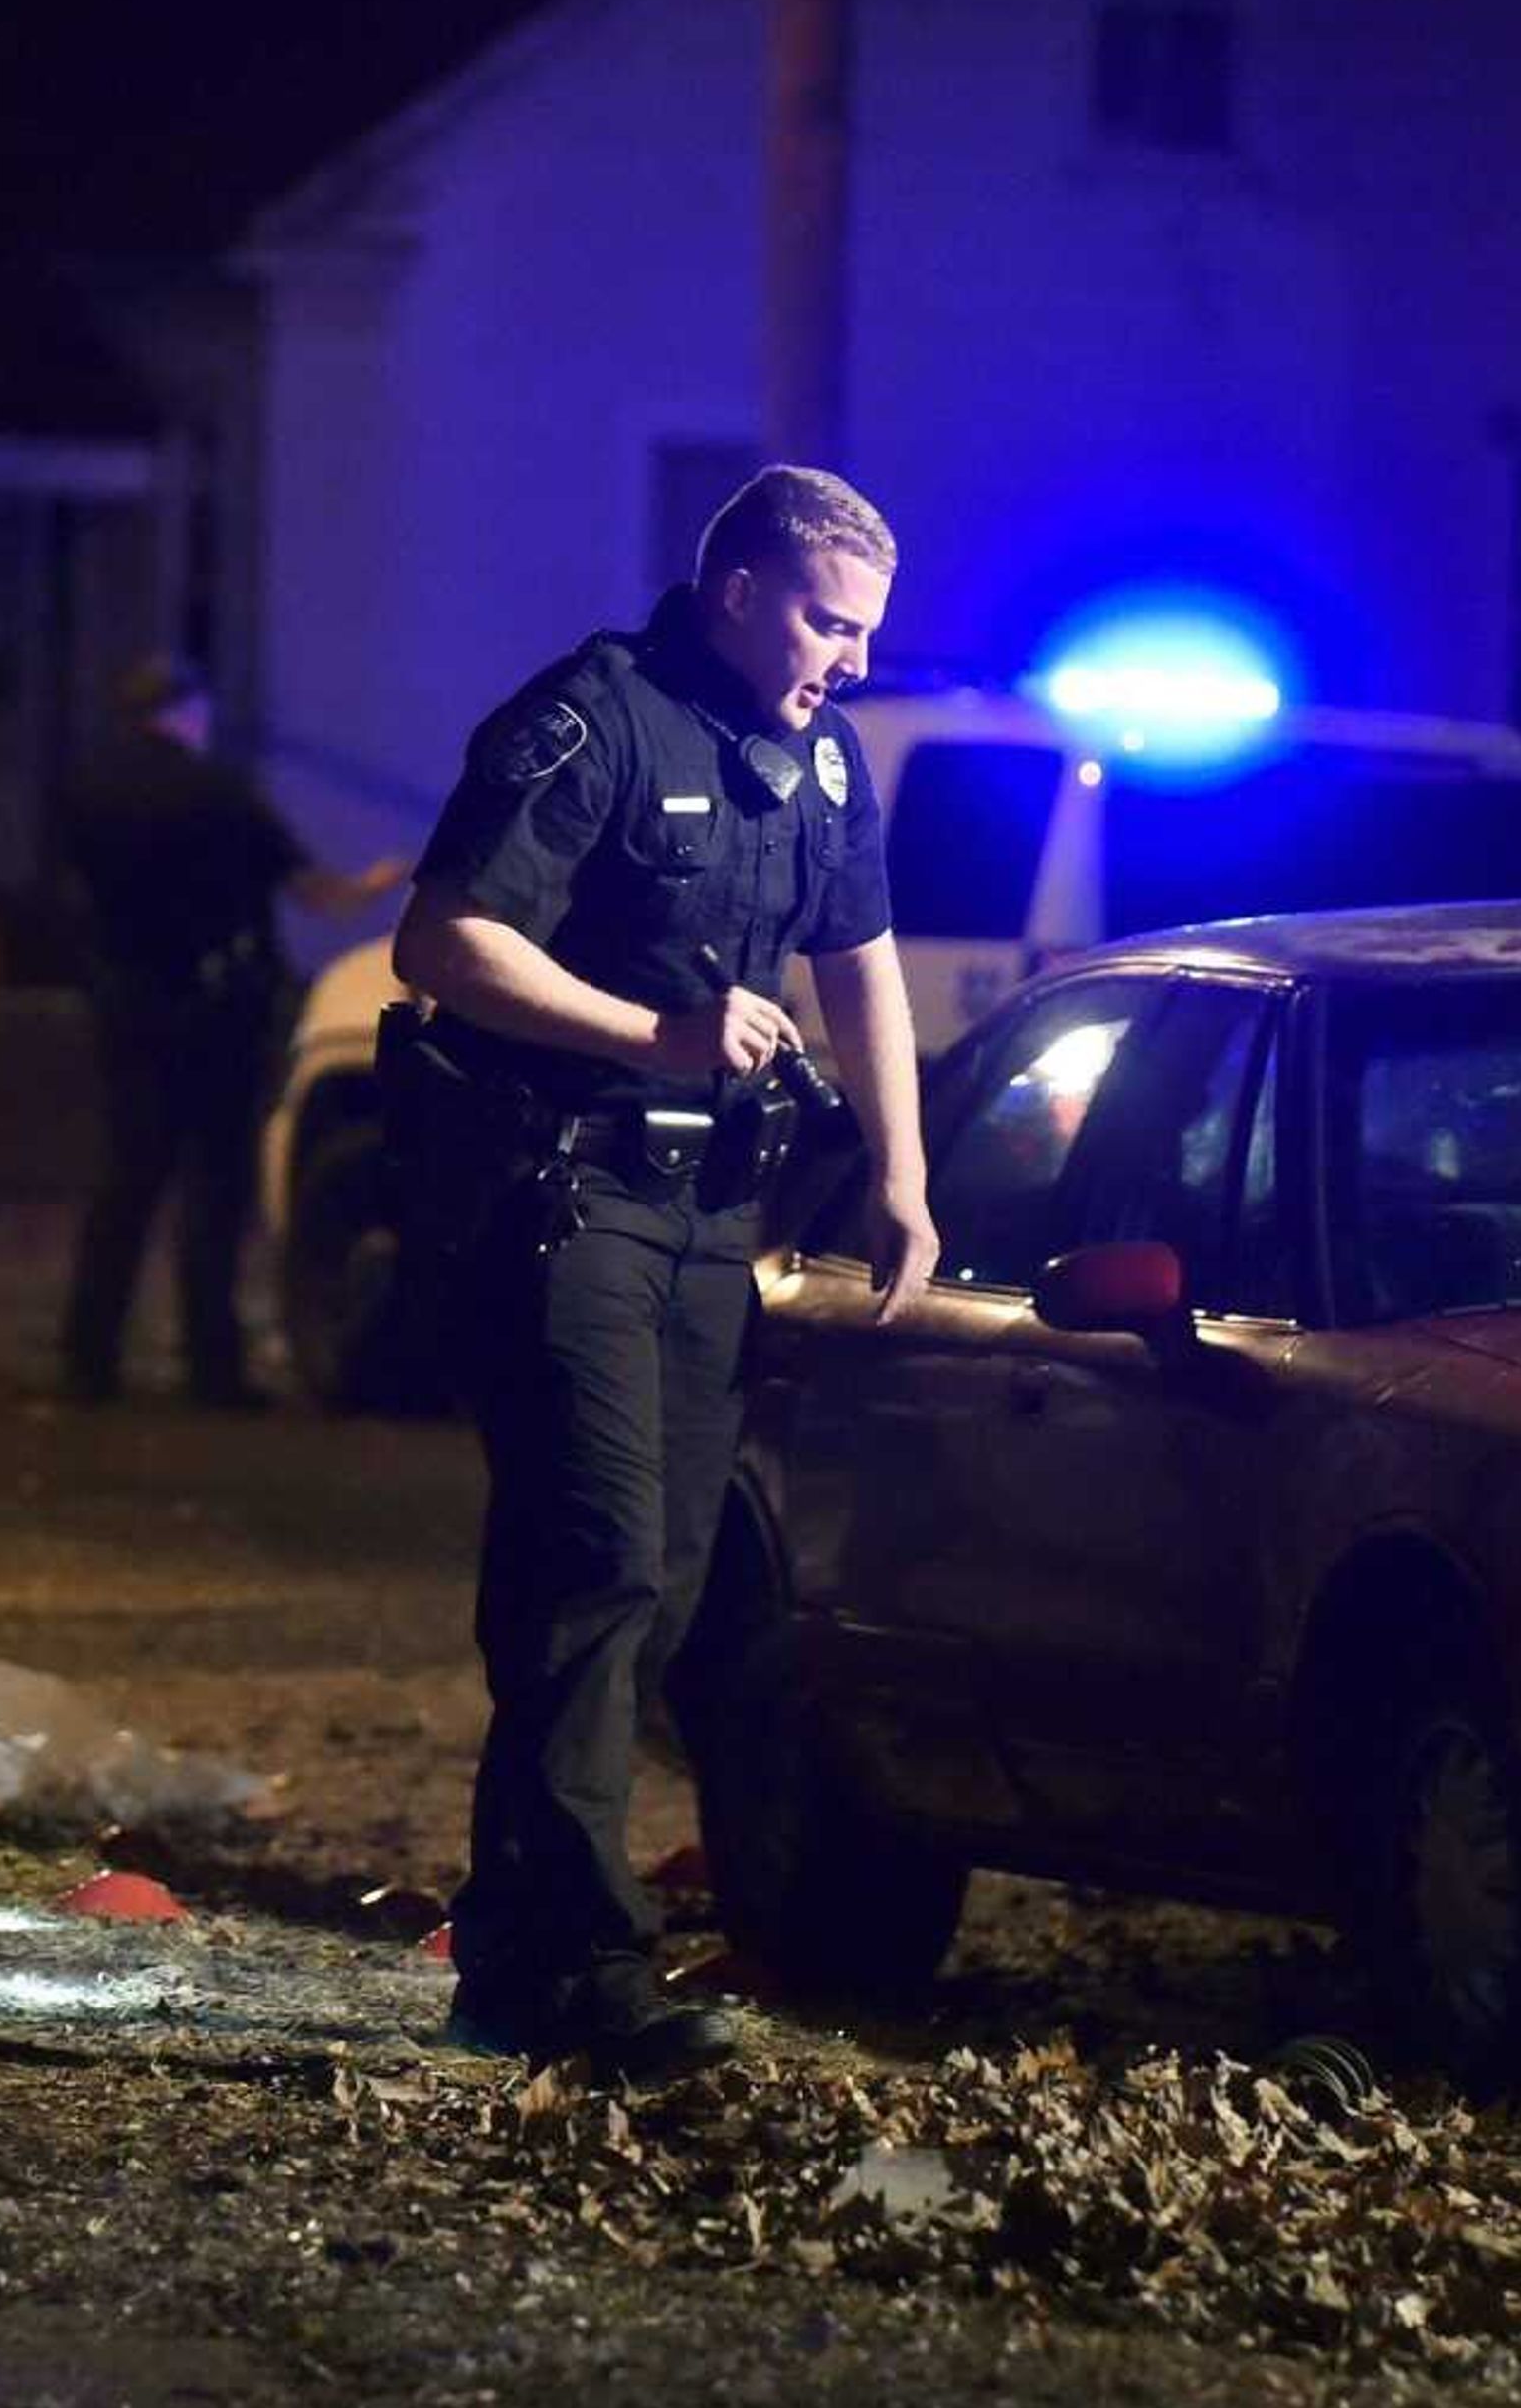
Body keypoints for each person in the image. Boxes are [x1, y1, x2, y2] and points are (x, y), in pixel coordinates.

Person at [396, 464, 940, 2080]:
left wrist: (905, 1173)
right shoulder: (596, 718)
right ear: (739, 590)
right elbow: (445, 940)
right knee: (600, 1561)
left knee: (669, 1587)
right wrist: (655, 1035)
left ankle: (513, 1951)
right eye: (827, 623)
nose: (846, 659)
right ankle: (583, 1964)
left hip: (717, 1219)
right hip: (573, 1205)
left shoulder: (821, 755)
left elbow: (864, 958)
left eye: (865, 634)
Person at [58, 653, 402, 1408]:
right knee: (214, 1189)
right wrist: (378, 882)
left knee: (127, 1181)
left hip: (127, 1005)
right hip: (216, 1015)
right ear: (185, 712)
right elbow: (315, 893)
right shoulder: (217, 794)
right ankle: (210, 1365)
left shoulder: (87, 791)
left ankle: (88, 1358)